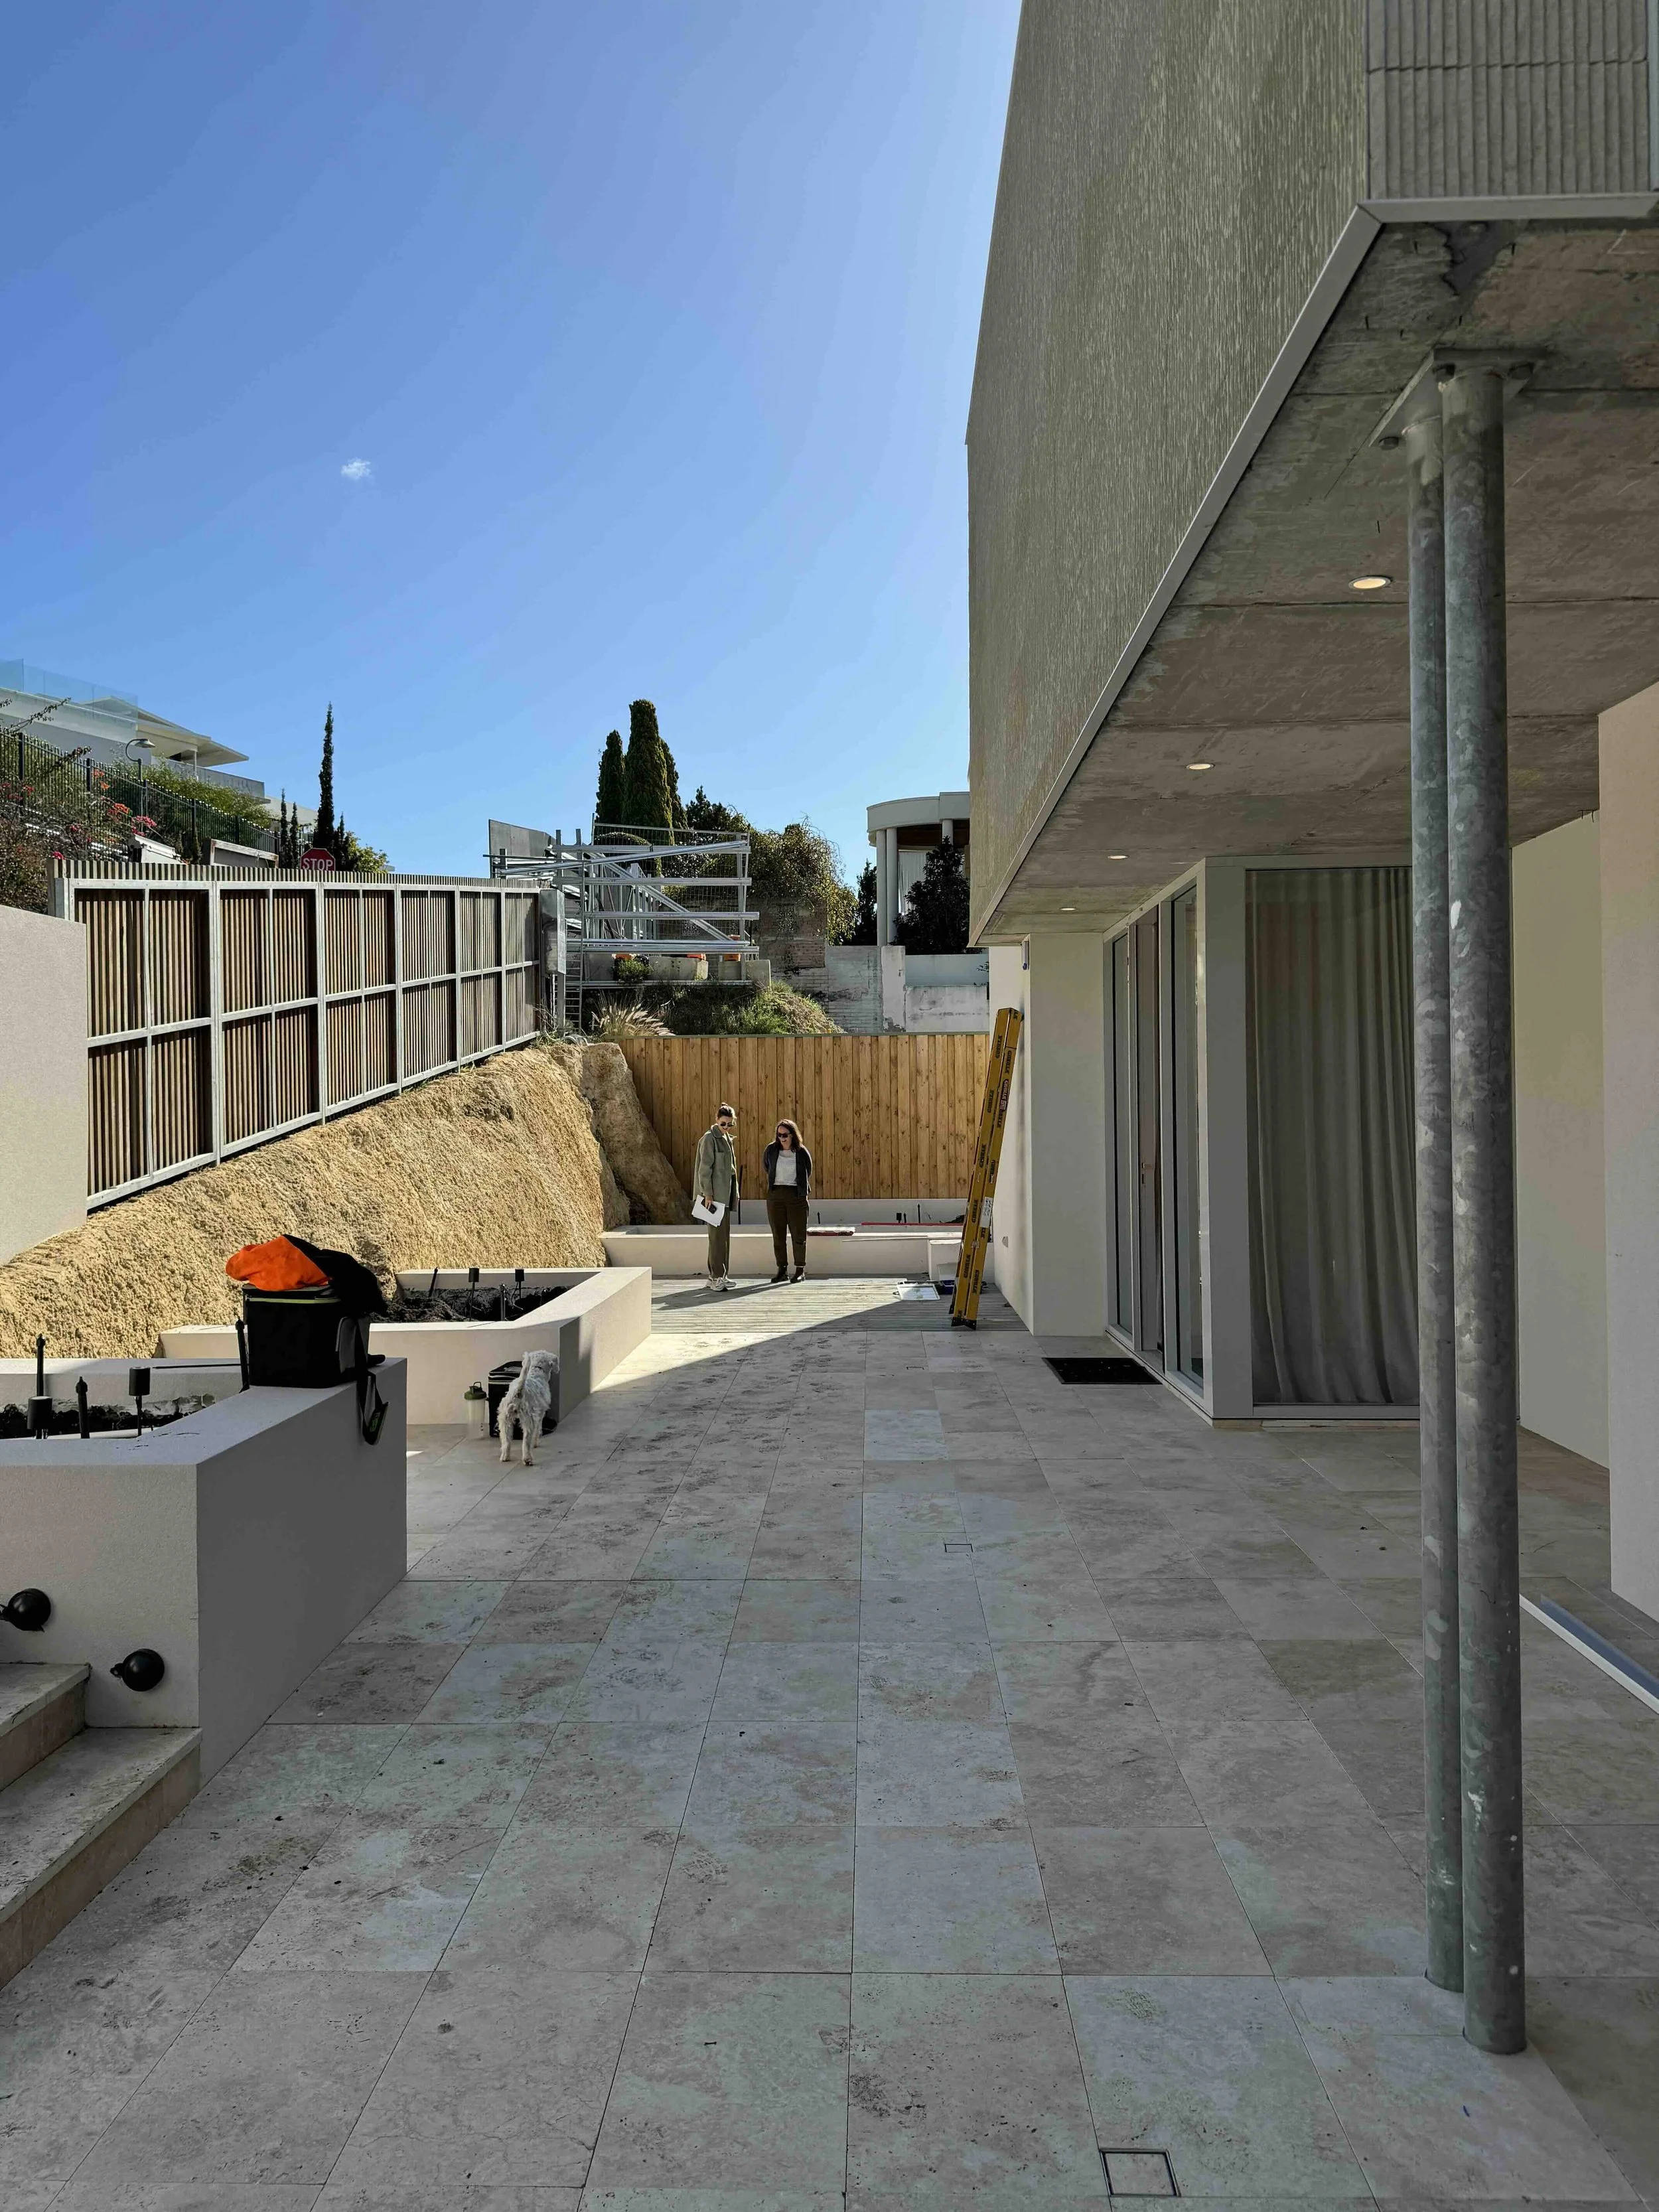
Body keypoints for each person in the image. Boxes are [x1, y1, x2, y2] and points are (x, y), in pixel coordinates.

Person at [693, 1102, 739, 1291]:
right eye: (723, 1124)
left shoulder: (726, 1138)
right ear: (716, 1120)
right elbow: (704, 1170)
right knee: (716, 1238)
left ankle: (721, 1276)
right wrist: (708, 1195)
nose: (726, 1127)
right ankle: (715, 1277)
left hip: (725, 1196)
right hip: (713, 1198)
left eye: (730, 1124)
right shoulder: (709, 1139)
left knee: (723, 1238)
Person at [763, 1117, 812, 1283]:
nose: (782, 1138)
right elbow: (767, 1167)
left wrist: (801, 1191)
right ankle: (782, 1269)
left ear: (793, 1135)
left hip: (796, 1195)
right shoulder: (771, 1150)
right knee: (778, 1235)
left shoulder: (801, 1151)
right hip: (776, 1195)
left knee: (798, 1234)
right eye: (779, 1135)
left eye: (785, 1135)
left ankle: (800, 1270)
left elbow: (808, 1170)